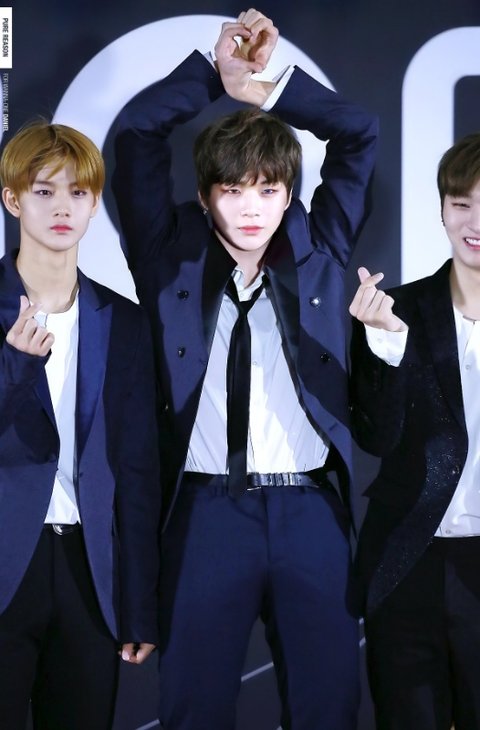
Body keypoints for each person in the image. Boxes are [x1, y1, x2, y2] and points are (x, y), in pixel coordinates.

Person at [113, 9, 377, 730]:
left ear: (290, 194)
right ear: (205, 197)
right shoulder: (168, 254)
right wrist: (215, 76)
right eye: (233, 190)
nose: (252, 208)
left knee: (327, 710)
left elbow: (359, 133)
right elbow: (135, 134)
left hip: (311, 513)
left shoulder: (321, 247)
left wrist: (273, 90)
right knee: (194, 710)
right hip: (205, 514)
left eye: (268, 190)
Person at [0, 120, 161, 730]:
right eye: (44, 191)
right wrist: (14, 368)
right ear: (13, 199)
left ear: (95, 204)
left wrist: (138, 602)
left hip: (88, 572)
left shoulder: (122, 321)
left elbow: (137, 471)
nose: (62, 207)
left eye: (78, 192)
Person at [349, 131, 480, 729]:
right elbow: (376, 438)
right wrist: (387, 348)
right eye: (461, 204)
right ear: (443, 210)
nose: (474, 222)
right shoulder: (394, 311)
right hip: (408, 562)